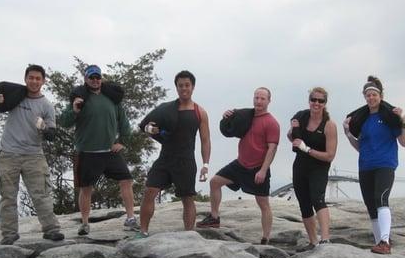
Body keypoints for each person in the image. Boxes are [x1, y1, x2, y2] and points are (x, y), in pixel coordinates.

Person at [0, 64, 64, 245]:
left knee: (41, 194)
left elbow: (52, 135)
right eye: (31, 78)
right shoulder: (15, 95)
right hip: (8, 154)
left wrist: (44, 127)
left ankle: (51, 230)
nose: (34, 81)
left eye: (38, 78)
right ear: (25, 79)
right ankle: (9, 235)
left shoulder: (46, 106)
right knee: (8, 196)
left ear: (43, 81)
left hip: (34, 156)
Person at [59, 65, 137, 235]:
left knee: (126, 181)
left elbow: (124, 123)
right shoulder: (80, 98)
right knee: (86, 189)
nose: (95, 80)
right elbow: (64, 122)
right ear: (86, 79)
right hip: (87, 153)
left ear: (101, 79)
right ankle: (85, 223)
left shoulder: (112, 99)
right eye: (91, 78)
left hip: (110, 152)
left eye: (97, 77)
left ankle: (131, 218)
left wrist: (122, 141)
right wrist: (74, 110)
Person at [197, 87, 280, 244]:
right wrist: (227, 116)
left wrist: (263, 170)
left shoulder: (271, 123)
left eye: (262, 98)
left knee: (263, 204)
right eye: (256, 97)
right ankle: (214, 218)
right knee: (215, 182)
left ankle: (266, 238)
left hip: (258, 168)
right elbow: (231, 127)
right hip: (240, 164)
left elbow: (272, 148)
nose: (259, 101)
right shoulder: (247, 116)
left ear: (269, 101)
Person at [138, 70, 211, 238]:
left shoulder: (200, 112)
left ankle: (189, 236)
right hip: (165, 158)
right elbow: (145, 126)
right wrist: (153, 130)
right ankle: (142, 232)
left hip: (186, 160)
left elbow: (205, 140)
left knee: (187, 198)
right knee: (150, 191)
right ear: (176, 88)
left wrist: (205, 165)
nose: (184, 89)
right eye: (180, 86)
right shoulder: (166, 109)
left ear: (193, 87)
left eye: (187, 85)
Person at [343, 76, 405, 254]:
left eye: (374, 94)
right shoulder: (362, 119)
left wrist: (404, 121)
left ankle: (385, 242)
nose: (371, 98)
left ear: (380, 96)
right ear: (365, 97)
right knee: (370, 205)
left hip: (385, 164)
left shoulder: (389, 116)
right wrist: (348, 133)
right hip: (366, 165)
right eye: (367, 95)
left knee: (381, 199)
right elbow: (360, 147)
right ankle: (378, 241)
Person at [288, 87, 337, 252]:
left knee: (318, 198)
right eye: (313, 99)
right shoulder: (302, 116)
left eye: (320, 101)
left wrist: (307, 149)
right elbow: (291, 137)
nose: (316, 103)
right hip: (300, 165)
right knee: (304, 203)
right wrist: (293, 130)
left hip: (319, 167)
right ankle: (313, 241)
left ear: (325, 103)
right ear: (309, 100)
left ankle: (325, 240)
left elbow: (330, 155)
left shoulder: (329, 125)